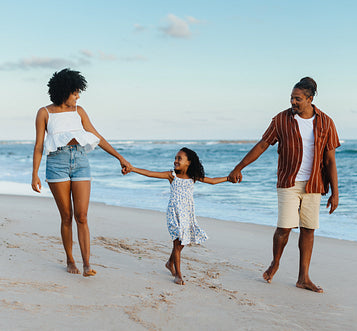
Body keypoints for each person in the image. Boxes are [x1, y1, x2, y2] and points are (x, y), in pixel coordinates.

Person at [228, 77, 339, 293]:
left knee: (308, 229)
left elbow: (331, 160)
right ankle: (275, 262)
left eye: (298, 99)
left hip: (314, 184)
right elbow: (262, 145)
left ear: (310, 99)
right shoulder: (281, 120)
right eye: (291, 98)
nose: (293, 102)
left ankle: (303, 277)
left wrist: (335, 193)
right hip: (289, 181)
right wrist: (239, 167)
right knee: (284, 228)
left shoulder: (326, 122)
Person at [31, 68, 132, 277]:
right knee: (66, 216)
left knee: (82, 216)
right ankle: (70, 259)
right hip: (56, 163)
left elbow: (97, 136)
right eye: (75, 92)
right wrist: (34, 174)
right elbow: (39, 145)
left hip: (80, 161)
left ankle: (87, 264)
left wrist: (119, 157)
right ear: (64, 91)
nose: (78, 96)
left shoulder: (80, 111)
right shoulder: (44, 113)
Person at [129, 147, 228, 285]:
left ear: (189, 162)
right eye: (175, 158)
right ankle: (178, 275)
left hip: (187, 212)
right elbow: (151, 173)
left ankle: (170, 263)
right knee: (177, 242)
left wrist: (229, 178)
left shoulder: (193, 177)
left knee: (183, 242)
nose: (175, 161)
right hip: (174, 212)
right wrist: (132, 168)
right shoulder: (172, 175)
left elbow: (212, 181)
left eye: (179, 158)